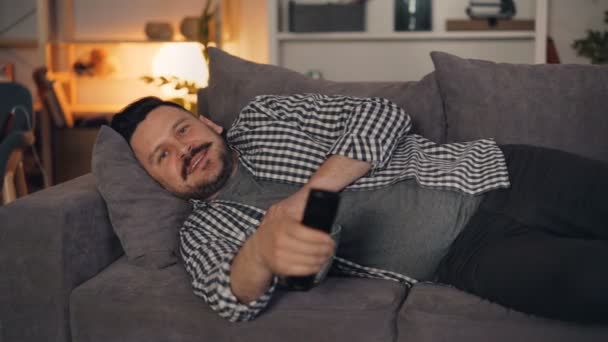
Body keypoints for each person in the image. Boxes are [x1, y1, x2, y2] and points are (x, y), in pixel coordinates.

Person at [110, 94, 608, 324]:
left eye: (182, 131)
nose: (183, 151)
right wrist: (261, 253)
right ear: (159, 182)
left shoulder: (264, 116)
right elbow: (227, 295)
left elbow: (381, 112)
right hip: (467, 256)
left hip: (498, 171)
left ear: (208, 123)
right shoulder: (201, 233)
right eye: (163, 157)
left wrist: (309, 196)